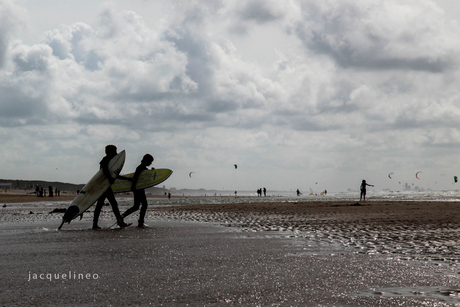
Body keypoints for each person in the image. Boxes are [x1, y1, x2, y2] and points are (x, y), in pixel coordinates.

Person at [92, 145, 131, 230]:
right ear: (109, 151)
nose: (116, 153)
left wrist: (127, 179)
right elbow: (104, 171)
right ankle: (119, 222)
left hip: (105, 186)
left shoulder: (110, 161)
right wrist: (110, 178)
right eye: (115, 151)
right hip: (103, 186)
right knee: (111, 204)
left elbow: (114, 174)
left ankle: (95, 224)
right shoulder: (105, 160)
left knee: (105, 204)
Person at [121, 154, 154, 228]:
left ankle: (121, 217)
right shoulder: (140, 167)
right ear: (146, 160)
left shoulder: (143, 167)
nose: (151, 163)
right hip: (138, 189)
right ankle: (140, 222)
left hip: (138, 189)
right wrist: (133, 187)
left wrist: (152, 171)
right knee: (143, 205)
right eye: (150, 161)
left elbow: (146, 176)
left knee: (136, 206)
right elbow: (135, 178)